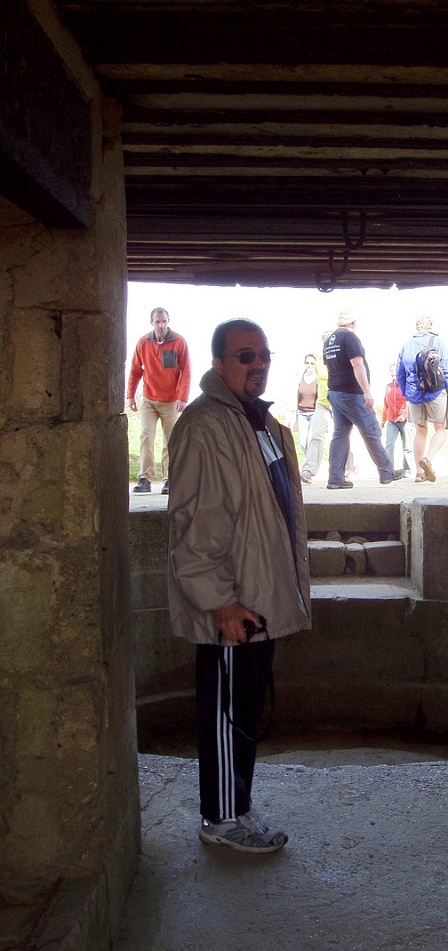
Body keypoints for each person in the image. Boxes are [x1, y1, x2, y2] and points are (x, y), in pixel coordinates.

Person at [167, 318, 311, 853]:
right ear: (219, 364)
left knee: (245, 710)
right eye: (245, 356)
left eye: (264, 355)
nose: (259, 364)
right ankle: (221, 819)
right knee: (228, 714)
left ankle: (237, 805)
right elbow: (194, 523)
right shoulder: (205, 426)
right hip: (234, 605)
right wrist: (221, 601)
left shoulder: (260, 425)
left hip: (258, 598)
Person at [323, 309, 404, 490]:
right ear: (353, 322)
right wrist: (367, 391)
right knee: (371, 431)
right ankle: (386, 471)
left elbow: (330, 366)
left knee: (340, 434)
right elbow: (357, 364)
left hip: (335, 392)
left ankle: (335, 477)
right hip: (352, 393)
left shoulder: (330, 340)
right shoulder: (349, 338)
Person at [127, 307, 191, 495]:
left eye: (164, 321)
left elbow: (186, 371)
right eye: (158, 322)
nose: (161, 325)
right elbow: (135, 370)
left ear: (168, 321)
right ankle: (145, 478)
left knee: (171, 439)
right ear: (152, 323)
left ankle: (170, 479)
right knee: (146, 436)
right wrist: (130, 395)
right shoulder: (143, 342)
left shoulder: (179, 342)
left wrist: (182, 397)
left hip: (171, 401)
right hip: (149, 399)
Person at [396, 314, 448, 483]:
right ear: (431, 326)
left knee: (421, 431)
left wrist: (406, 393)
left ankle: (419, 474)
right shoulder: (438, 342)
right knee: (441, 429)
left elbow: (400, 374)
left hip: (415, 395)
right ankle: (428, 459)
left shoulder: (406, 346)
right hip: (436, 391)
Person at [300, 334, 355, 484]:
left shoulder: (344, 357)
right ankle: (308, 470)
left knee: (341, 437)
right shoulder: (319, 361)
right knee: (317, 436)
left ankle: (345, 470)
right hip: (323, 402)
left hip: (340, 402)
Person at [381, 363, 415, 476]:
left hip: (405, 420)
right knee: (389, 444)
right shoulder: (388, 387)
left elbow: (409, 402)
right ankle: (389, 470)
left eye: (395, 369)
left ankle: (408, 470)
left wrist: (404, 415)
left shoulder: (406, 384)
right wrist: (383, 420)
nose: (393, 372)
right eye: (391, 370)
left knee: (407, 447)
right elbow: (386, 404)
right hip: (392, 420)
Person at [295, 352, 318, 457]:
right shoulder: (299, 377)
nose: (309, 365)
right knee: (302, 443)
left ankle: (309, 467)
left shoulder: (318, 379)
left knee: (310, 442)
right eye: (307, 363)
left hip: (314, 414)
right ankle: (311, 463)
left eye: (312, 363)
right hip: (301, 413)